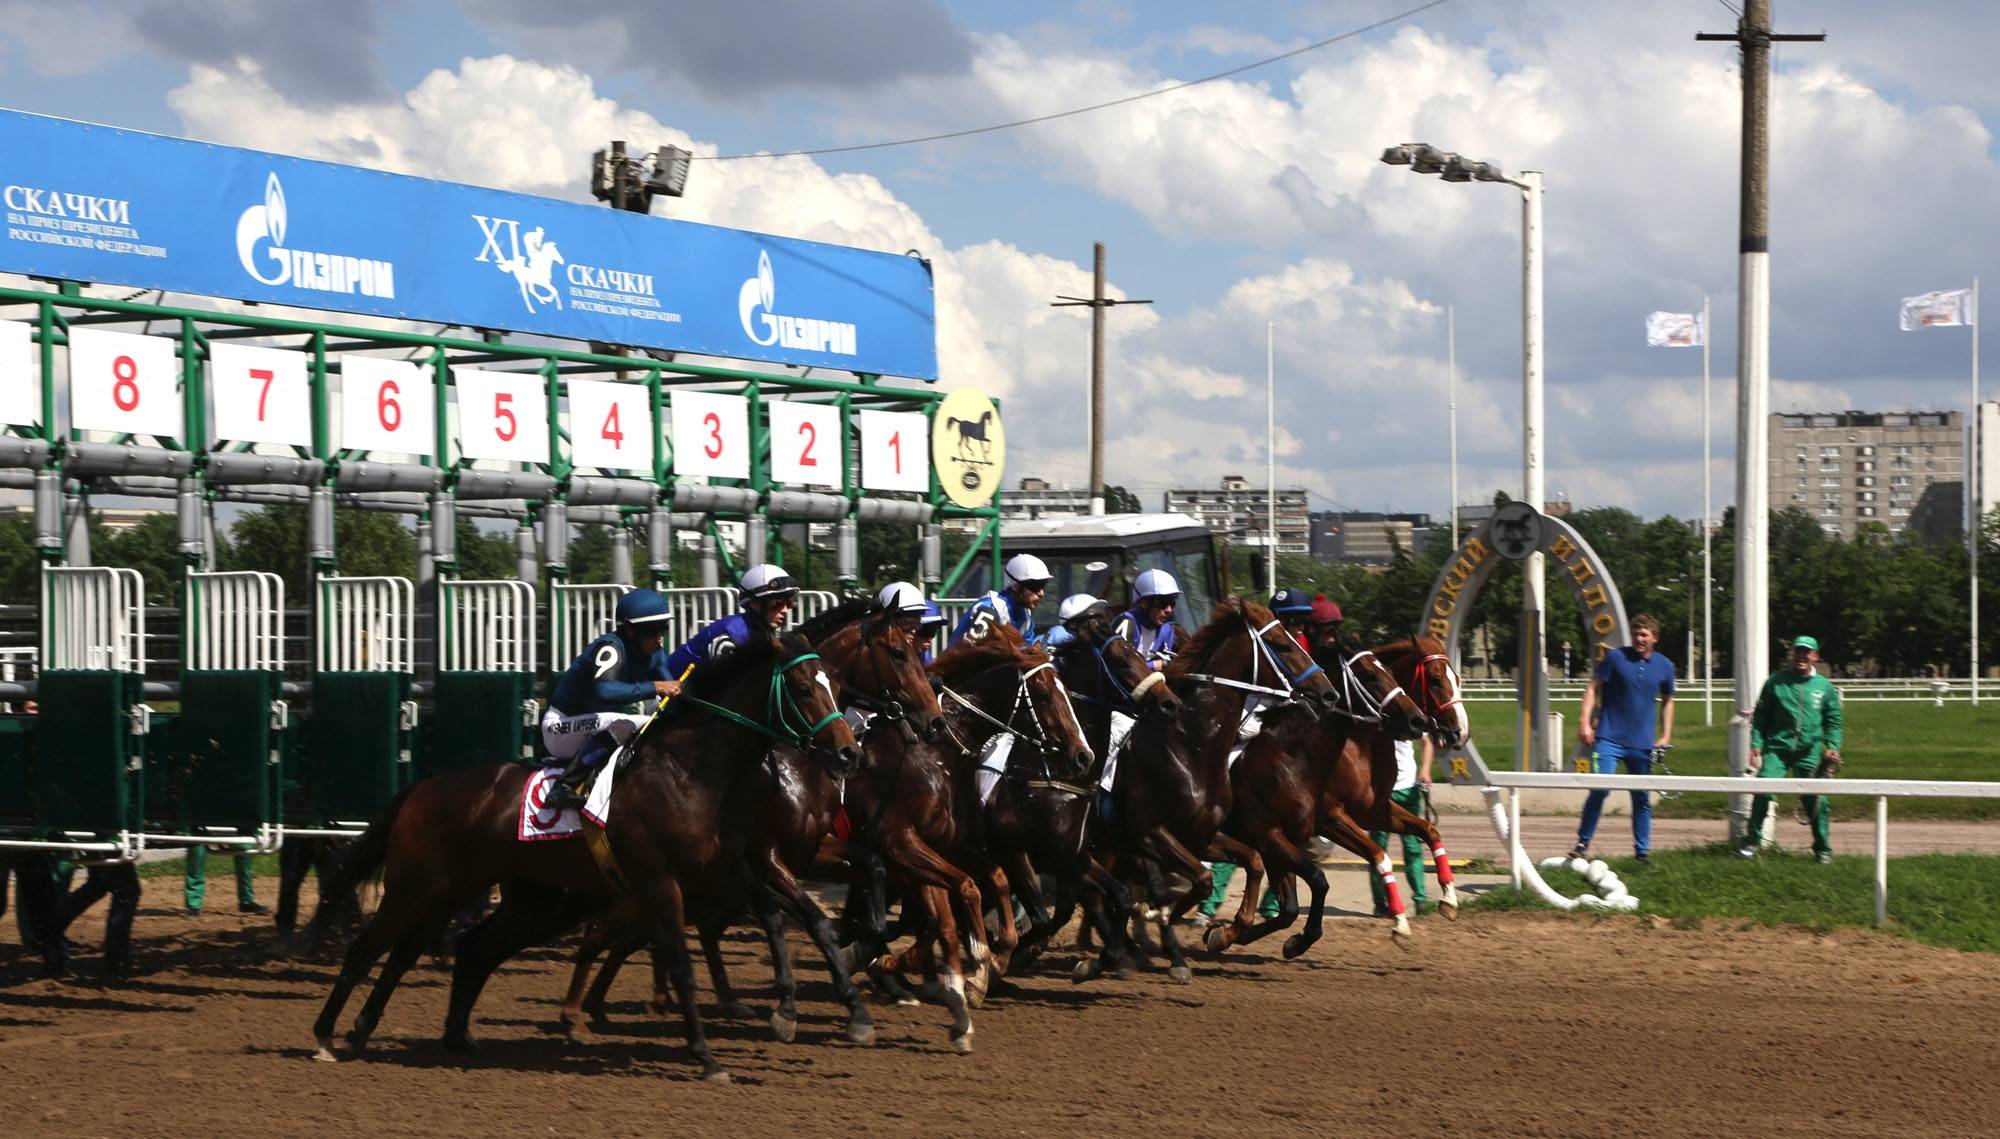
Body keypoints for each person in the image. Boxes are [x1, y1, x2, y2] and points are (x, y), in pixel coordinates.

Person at [1198, 586, 1317, 922]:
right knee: (1244, 736)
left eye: (1302, 620)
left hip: (1277, 711)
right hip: (1251, 710)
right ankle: (1215, 803)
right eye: (1294, 619)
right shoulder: (1262, 642)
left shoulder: (1298, 644)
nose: (1299, 626)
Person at [541, 588, 682, 811]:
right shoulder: (610, 648)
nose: (659, 639)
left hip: (591, 727)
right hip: (560, 730)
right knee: (624, 722)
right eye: (651, 632)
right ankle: (565, 786)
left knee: (655, 719)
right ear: (631, 631)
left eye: (662, 629)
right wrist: (656, 687)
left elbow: (671, 690)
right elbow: (605, 691)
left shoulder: (654, 653)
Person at [1569, 613, 1676, 866]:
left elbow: (1668, 700)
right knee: (1601, 789)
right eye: (1636, 634)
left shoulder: (1665, 666)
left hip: (1642, 743)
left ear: (1655, 638)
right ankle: (1582, 844)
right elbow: (1593, 686)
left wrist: (1665, 735)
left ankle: (1642, 853)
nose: (1639, 639)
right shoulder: (1616, 657)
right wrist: (1584, 722)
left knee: (1641, 797)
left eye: (1644, 635)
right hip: (1609, 737)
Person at [1743, 634, 1843, 863]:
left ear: (1815, 657)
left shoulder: (1824, 688)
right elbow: (1761, 716)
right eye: (1798, 651)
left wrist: (1833, 747)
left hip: (1809, 752)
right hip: (1777, 749)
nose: (1801, 656)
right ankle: (1752, 840)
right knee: (1764, 789)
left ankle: (1823, 850)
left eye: (1807, 652)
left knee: (1817, 801)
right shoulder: (1776, 681)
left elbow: (1834, 721)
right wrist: (1756, 744)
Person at [667, 563, 801, 675]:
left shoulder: (762, 631)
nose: (784, 610)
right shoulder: (733, 634)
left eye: (788, 603)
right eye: (776, 603)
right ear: (754, 603)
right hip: (666, 696)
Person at [1369, 737, 1434, 916]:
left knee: (1412, 847)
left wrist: (1426, 769)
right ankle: (1381, 903)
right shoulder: (1374, 716)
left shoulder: (1410, 715)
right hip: (1381, 791)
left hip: (1408, 790)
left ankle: (1420, 900)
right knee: (1377, 849)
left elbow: (1427, 742)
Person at [58, 861, 140, 979]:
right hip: (108, 847)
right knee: (127, 890)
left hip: (95, 846)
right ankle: (116, 956)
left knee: (98, 884)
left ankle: (48, 931)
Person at [951, 553, 1049, 646]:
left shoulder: (1026, 619)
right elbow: (968, 652)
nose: (1041, 593)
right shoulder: (988, 609)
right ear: (1016, 586)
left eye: (1043, 586)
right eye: (1036, 587)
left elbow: (1027, 656)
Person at [1111, 569, 1184, 668]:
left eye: (1172, 604)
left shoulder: (1167, 630)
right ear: (1143, 603)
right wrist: (1156, 665)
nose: (1169, 610)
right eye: (1162, 603)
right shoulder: (1127, 623)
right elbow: (1118, 667)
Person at [184, 848, 263, 916]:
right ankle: (194, 905)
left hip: (235, 832)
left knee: (245, 848)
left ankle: (246, 902)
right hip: (201, 831)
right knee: (197, 849)